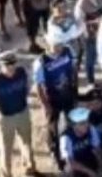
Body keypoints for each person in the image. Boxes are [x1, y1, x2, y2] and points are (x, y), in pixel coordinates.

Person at [0, 50, 38, 177]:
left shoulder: (23, 72)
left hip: (23, 112)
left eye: (13, 64)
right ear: (1, 65)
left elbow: (28, 88)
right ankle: (7, 174)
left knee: (27, 142)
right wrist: (0, 107)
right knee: (6, 148)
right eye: (7, 65)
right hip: (6, 118)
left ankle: (30, 167)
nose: (11, 67)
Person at [33, 37, 78, 172]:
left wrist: (75, 91)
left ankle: (72, 148)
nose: (59, 46)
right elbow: (39, 87)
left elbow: (74, 71)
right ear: (47, 44)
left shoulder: (68, 51)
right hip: (52, 99)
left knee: (71, 122)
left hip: (68, 94)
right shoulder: (40, 62)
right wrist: (46, 105)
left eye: (60, 43)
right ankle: (55, 152)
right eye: (55, 44)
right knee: (53, 127)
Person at [59, 106, 102, 177]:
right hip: (75, 164)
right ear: (74, 126)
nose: (86, 125)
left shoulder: (91, 129)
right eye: (82, 123)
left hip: (89, 160)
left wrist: (101, 169)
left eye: (87, 122)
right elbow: (70, 162)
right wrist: (91, 173)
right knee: (68, 170)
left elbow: (98, 149)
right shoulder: (66, 137)